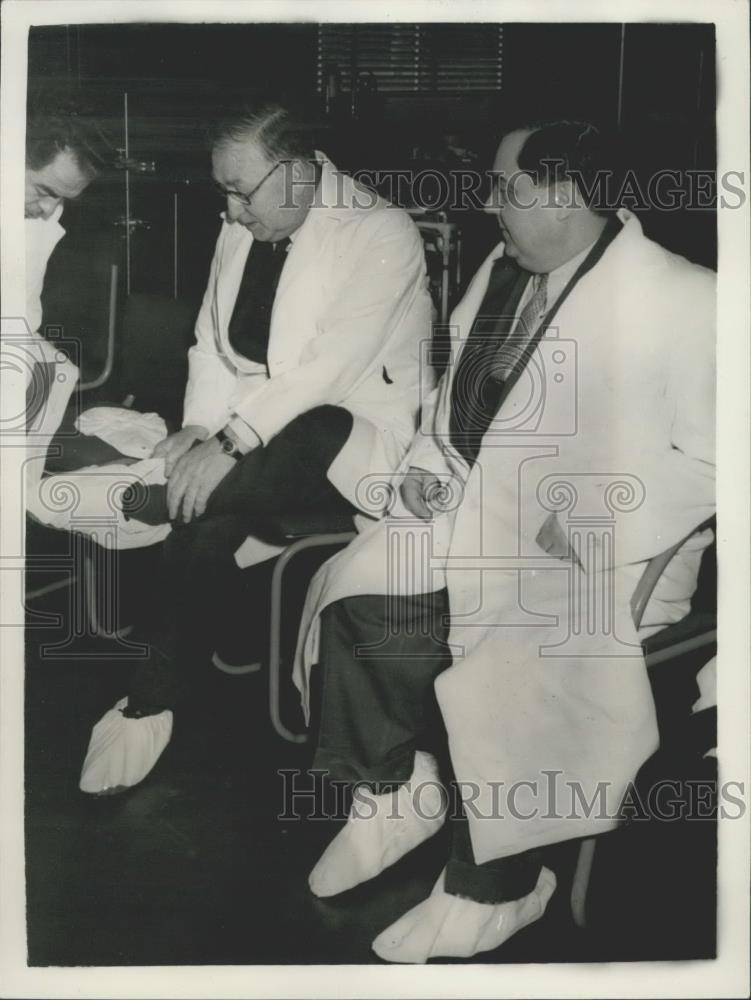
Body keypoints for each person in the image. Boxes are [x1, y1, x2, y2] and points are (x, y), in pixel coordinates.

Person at [291, 120, 716, 962]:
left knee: (505, 676)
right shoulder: (503, 270)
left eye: (503, 187)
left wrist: (603, 510)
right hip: (472, 525)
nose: (487, 205)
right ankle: (393, 795)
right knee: (355, 606)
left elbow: (716, 460)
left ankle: (501, 888)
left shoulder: (689, 299)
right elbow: (453, 411)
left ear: (562, 196)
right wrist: (425, 464)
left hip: (598, 560)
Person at [79, 101, 433, 795]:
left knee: (303, 427)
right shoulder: (245, 224)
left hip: (347, 450)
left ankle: (142, 500)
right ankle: (151, 700)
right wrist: (200, 427)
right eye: (225, 191)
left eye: (241, 189)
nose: (232, 209)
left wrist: (230, 441)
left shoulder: (379, 229)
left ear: (298, 172)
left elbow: (324, 371)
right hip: (254, 453)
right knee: (209, 521)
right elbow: (212, 340)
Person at [16, 102, 109, 517]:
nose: (51, 210)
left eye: (65, 200)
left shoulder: (35, 216)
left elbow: (21, 317)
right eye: (45, 191)